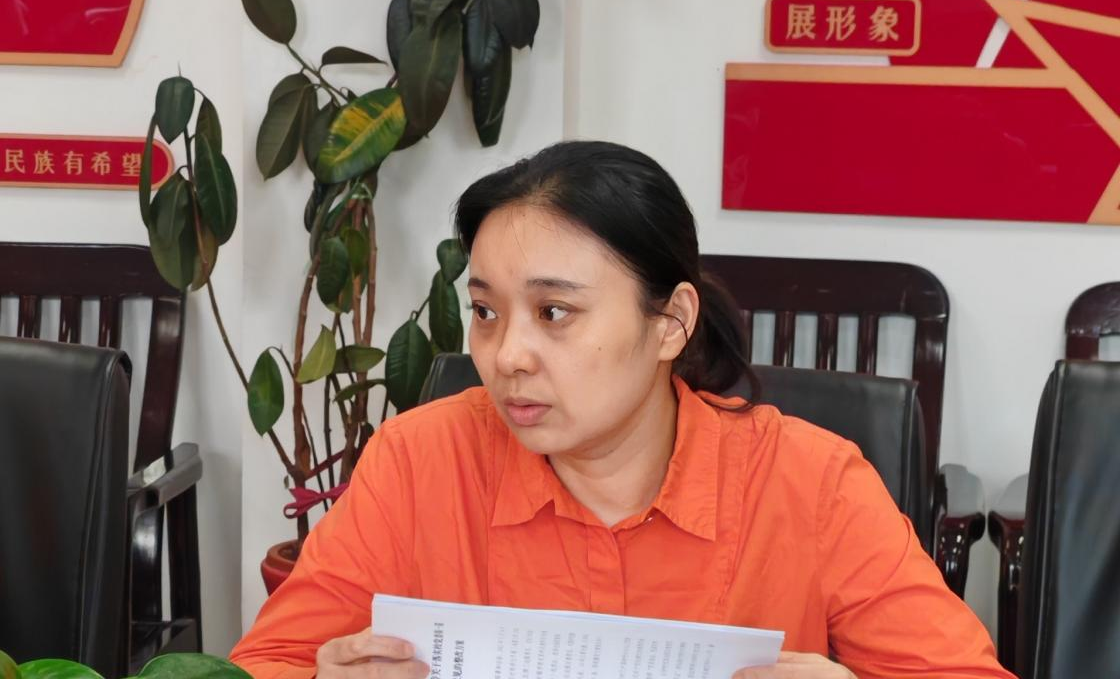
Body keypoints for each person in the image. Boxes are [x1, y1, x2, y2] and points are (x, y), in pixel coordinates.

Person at [231, 141, 1012, 679]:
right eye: (486, 312)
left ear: (670, 323)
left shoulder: (810, 484)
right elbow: (264, 664)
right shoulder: (418, 461)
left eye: (555, 313)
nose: (507, 356)